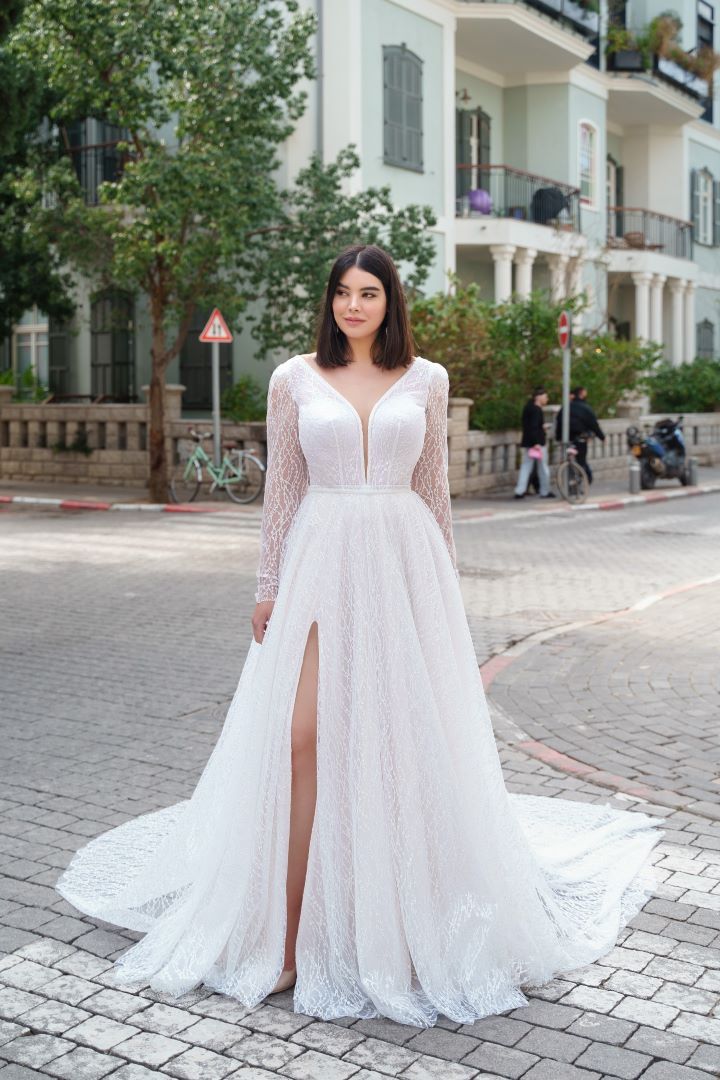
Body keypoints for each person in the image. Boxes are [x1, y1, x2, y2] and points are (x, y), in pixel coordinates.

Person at [56, 244, 661, 1029]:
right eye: (342, 292)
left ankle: (403, 922)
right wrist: (267, 585)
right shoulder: (294, 378)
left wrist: (443, 590)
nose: (354, 305)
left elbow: (433, 491)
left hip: (404, 566)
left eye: (369, 292)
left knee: (399, 741)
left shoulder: (428, 380)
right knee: (301, 737)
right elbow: (283, 489)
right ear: (330, 301)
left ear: (390, 302)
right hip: (320, 560)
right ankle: (283, 938)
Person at [555, 385, 606, 484]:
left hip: (566, 439)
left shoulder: (565, 407)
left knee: (568, 461)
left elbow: (559, 422)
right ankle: (586, 480)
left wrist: (558, 437)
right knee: (581, 461)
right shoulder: (585, 408)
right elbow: (593, 424)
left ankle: (572, 482)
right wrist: (602, 437)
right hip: (580, 439)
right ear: (582, 394)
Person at [514, 386, 555, 499]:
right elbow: (534, 427)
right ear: (538, 397)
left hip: (528, 442)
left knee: (526, 467)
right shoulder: (536, 410)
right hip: (537, 444)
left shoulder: (528, 408)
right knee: (543, 468)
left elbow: (529, 426)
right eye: (545, 397)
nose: (547, 399)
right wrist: (537, 442)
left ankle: (520, 490)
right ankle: (545, 491)